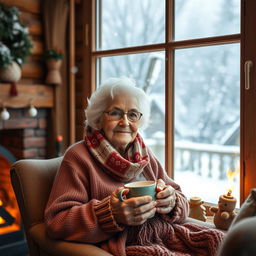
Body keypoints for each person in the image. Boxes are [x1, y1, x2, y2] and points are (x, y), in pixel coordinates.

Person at [45, 77, 224, 256]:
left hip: (167, 234)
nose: (125, 122)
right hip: (128, 243)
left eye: (132, 114)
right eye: (115, 113)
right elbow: (57, 221)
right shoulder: (78, 157)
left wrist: (172, 201)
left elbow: (180, 198)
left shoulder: (143, 153)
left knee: (221, 242)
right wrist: (111, 214)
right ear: (98, 118)